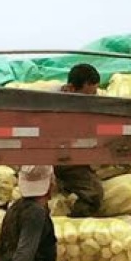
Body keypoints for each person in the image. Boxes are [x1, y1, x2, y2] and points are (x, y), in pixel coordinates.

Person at [53, 64, 104, 217]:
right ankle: (75, 223)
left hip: (76, 156)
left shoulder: (89, 104)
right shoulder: (52, 104)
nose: (92, 99)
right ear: (71, 88)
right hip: (60, 158)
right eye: (88, 95)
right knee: (94, 193)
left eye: (95, 94)